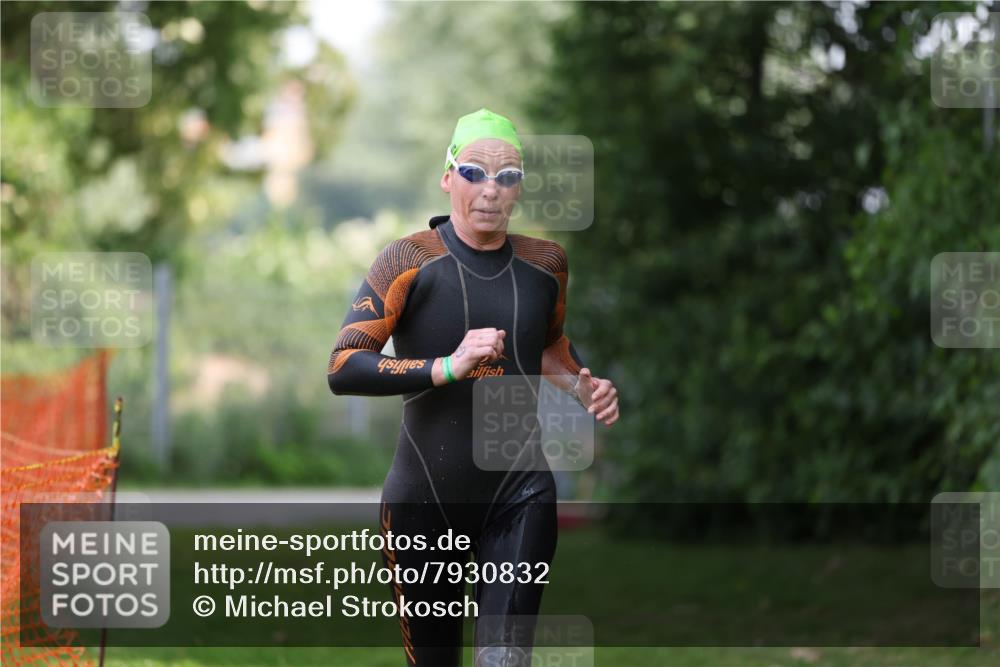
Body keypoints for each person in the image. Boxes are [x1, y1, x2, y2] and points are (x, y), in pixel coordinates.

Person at [327, 108, 619, 666]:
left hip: (520, 493)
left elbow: (548, 345)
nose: (491, 190)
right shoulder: (409, 259)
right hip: (424, 501)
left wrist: (583, 387)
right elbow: (344, 366)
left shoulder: (546, 264)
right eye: (474, 173)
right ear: (447, 177)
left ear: (520, 188)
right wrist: (446, 367)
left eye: (507, 176)